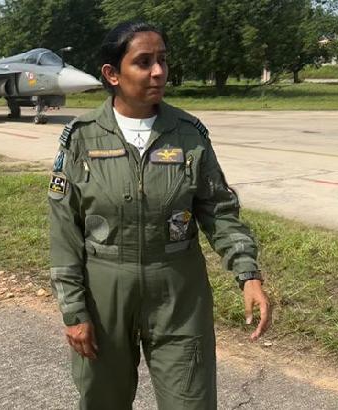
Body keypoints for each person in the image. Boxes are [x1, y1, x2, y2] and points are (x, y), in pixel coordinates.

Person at [48, 21, 270, 410]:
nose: (158, 72)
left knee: (191, 401)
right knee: (102, 400)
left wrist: (247, 273)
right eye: (144, 62)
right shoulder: (81, 137)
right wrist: (73, 309)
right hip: (104, 293)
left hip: (178, 292)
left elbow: (218, 210)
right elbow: (65, 231)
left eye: (163, 61)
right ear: (112, 74)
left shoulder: (188, 134)